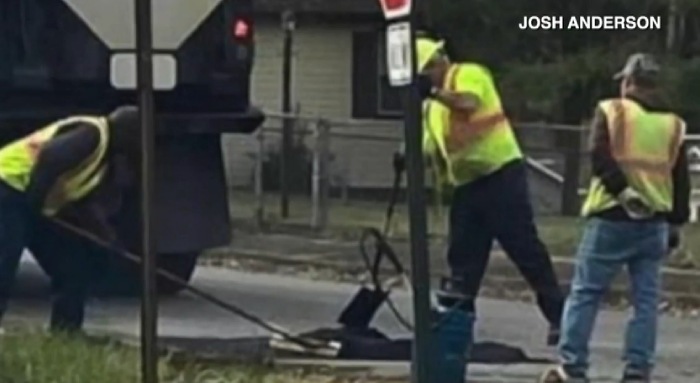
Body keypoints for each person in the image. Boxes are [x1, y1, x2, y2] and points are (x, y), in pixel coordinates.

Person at [539, 53, 690, 383]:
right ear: (655, 87)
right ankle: (637, 370)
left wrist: (623, 193)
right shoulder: (673, 126)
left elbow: (599, 156)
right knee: (646, 301)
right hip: (654, 224)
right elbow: (680, 180)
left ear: (628, 83)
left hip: (611, 216)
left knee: (586, 293)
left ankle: (572, 366)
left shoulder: (611, 111)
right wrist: (676, 224)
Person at [412, 36, 566, 346]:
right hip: (467, 187)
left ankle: (560, 317)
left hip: (500, 176)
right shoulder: (431, 107)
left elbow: (469, 102)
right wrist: (409, 153)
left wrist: (433, 91)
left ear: (436, 64)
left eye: (425, 74)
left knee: (525, 250)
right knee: (463, 259)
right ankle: (457, 327)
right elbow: (432, 145)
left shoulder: (469, 73)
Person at [0, 105, 139, 334]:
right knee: (4, 261)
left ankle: (66, 333)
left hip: (32, 200)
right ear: (126, 133)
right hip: (8, 187)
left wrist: (109, 241)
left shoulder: (104, 161)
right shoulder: (92, 134)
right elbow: (49, 158)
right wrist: (35, 206)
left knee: (72, 268)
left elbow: (83, 203)